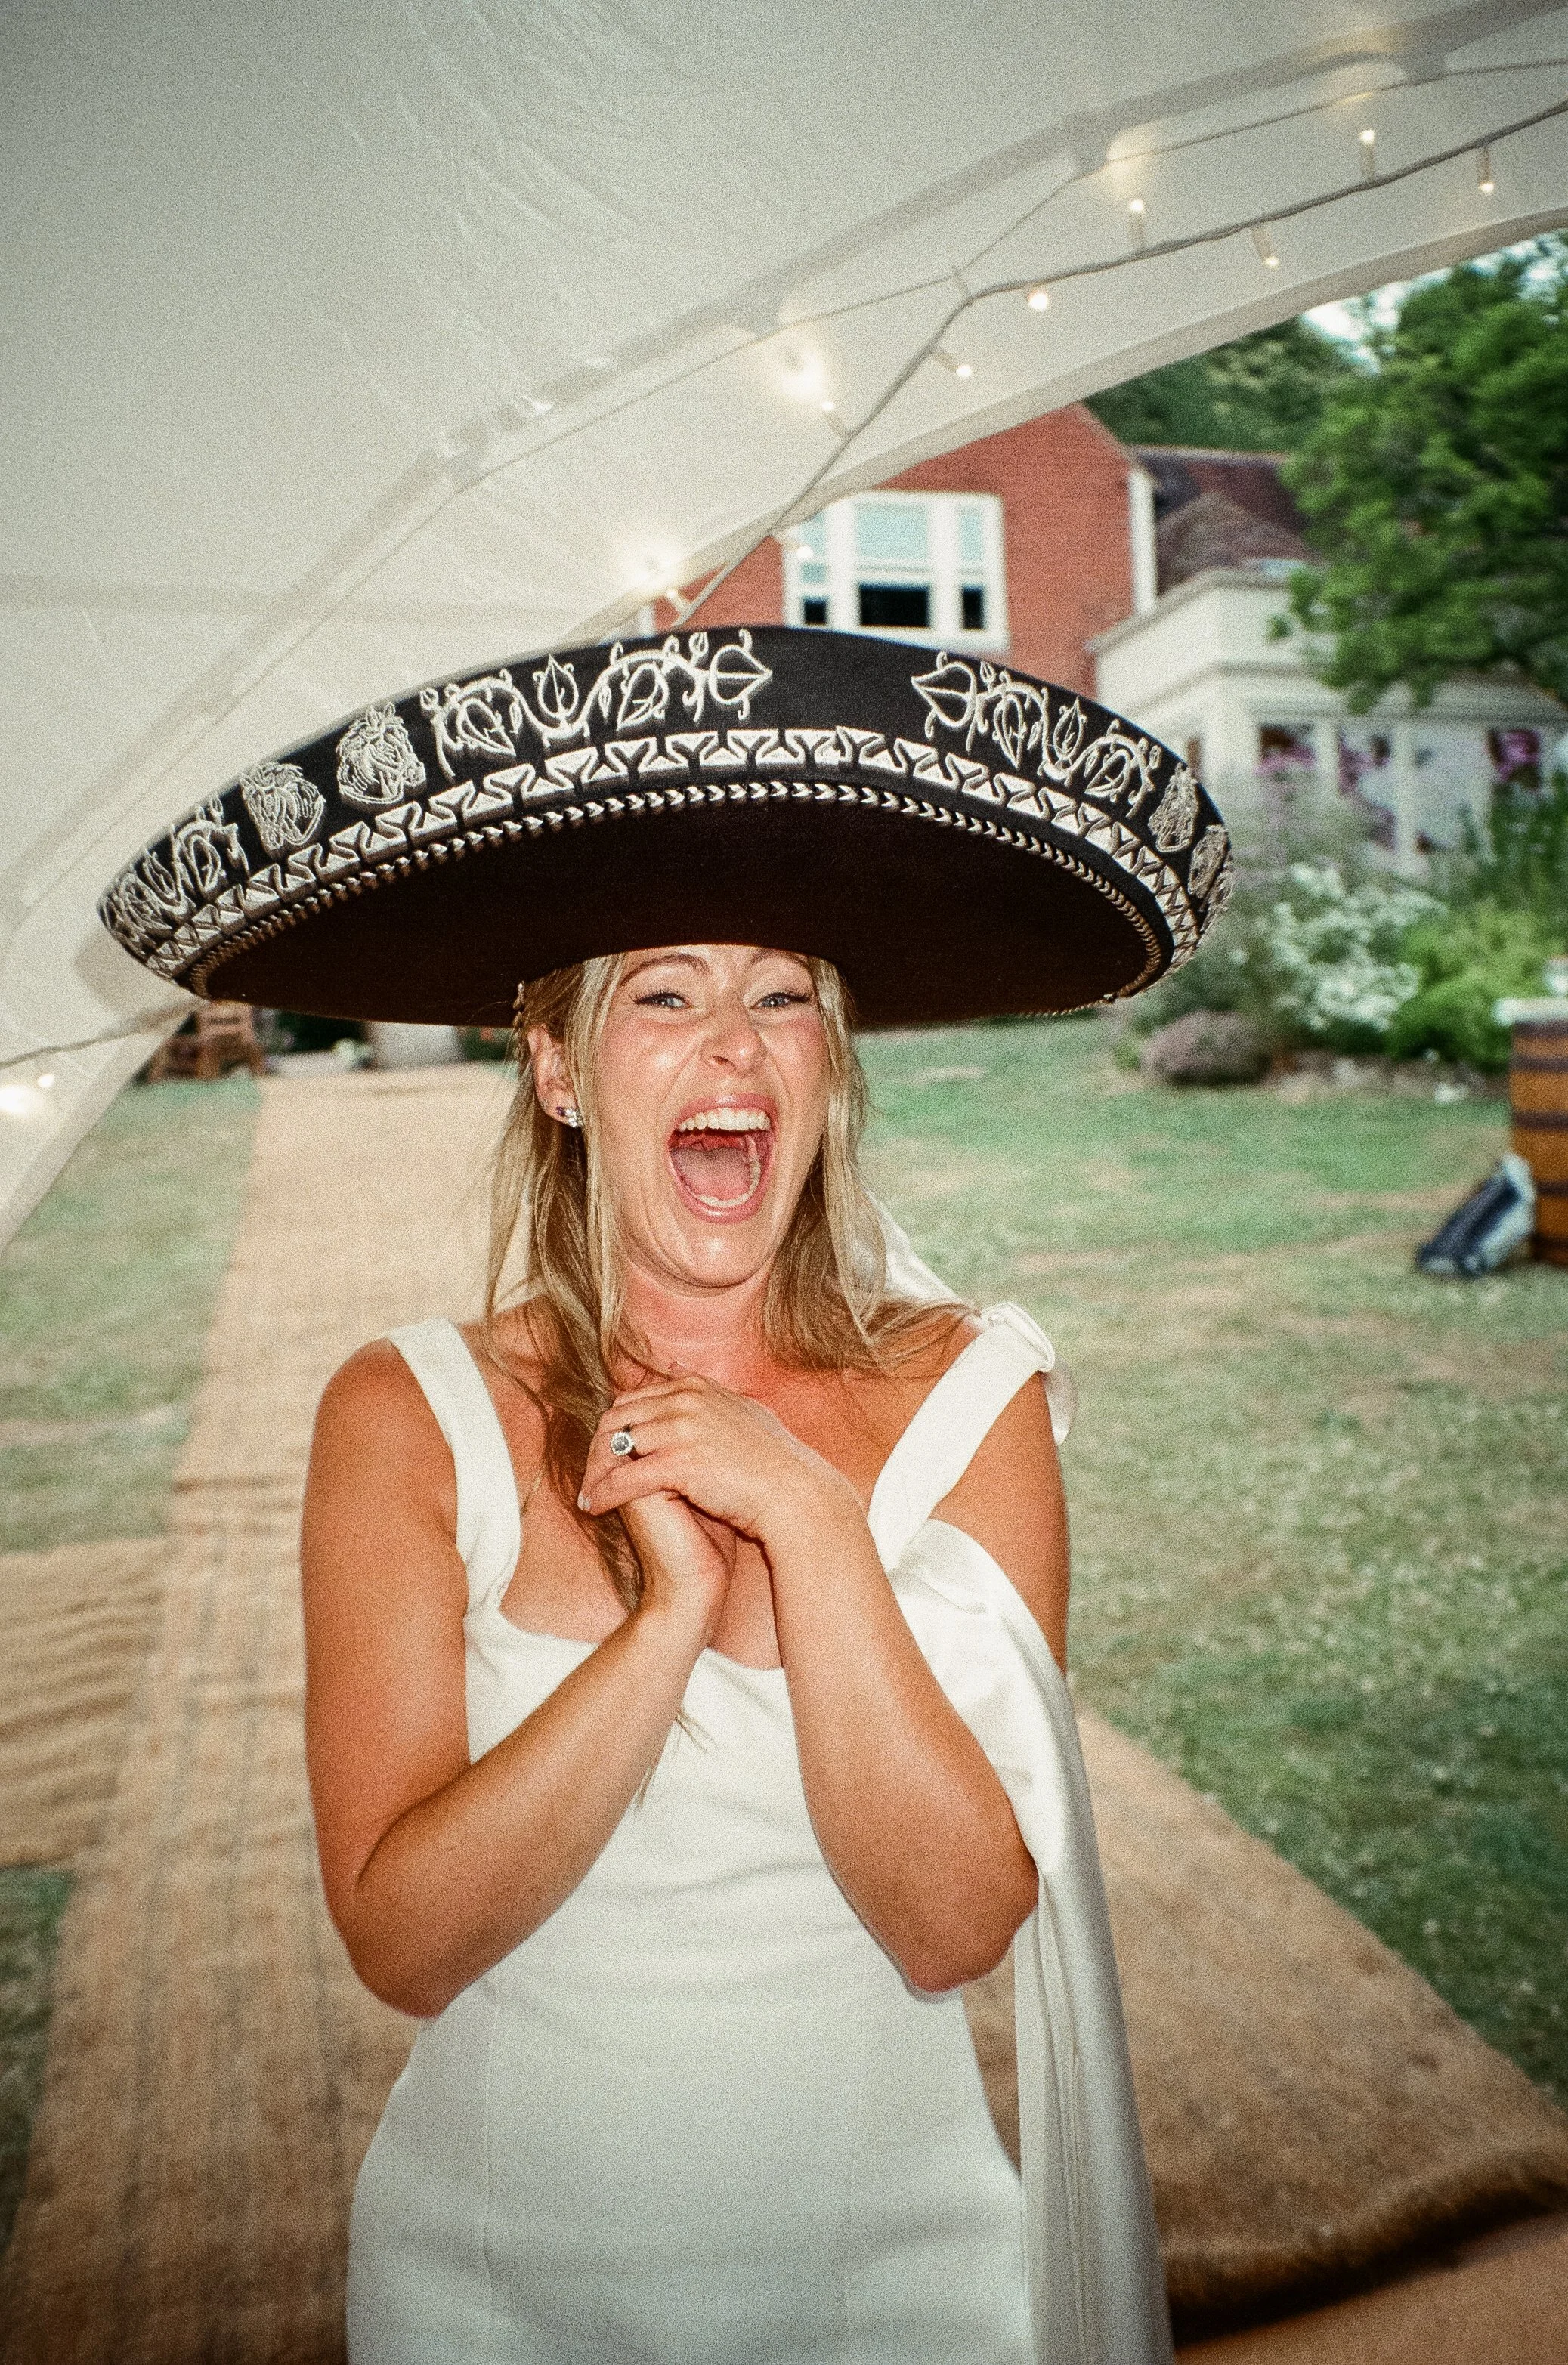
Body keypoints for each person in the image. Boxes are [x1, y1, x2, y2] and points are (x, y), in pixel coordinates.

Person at [101, 625, 1227, 2363]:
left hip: (904, 2298)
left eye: (785, 993)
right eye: (666, 991)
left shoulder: (971, 1398)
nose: (738, 1047)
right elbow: (403, 1938)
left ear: (831, 1066)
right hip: (493, 2302)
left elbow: (956, 1924)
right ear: (555, 1067)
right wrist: (670, 1620)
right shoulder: (405, 1415)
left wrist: (813, 1528)